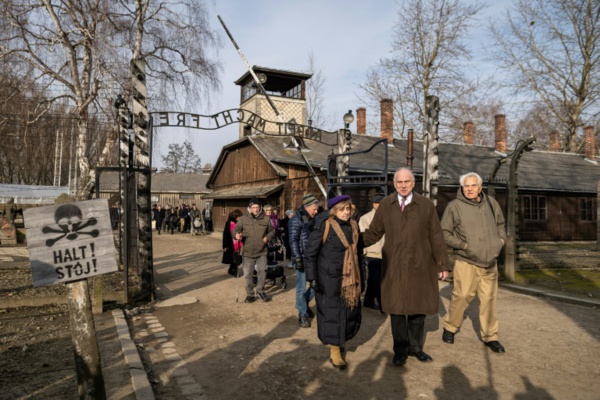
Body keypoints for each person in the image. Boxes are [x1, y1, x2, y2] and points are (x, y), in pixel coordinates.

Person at [363, 168, 450, 366]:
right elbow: (374, 232)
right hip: (394, 264)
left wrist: (442, 264)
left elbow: (436, 235)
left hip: (421, 263)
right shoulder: (386, 205)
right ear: (394, 184)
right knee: (397, 308)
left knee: (418, 307)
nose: (403, 185)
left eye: (407, 181)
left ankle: (416, 347)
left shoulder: (425, 205)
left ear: (413, 183)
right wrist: (353, 242)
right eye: (399, 182)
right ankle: (400, 350)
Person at [440, 172, 507, 353]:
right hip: (466, 261)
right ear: (462, 188)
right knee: (461, 296)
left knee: (488, 300)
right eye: (466, 186)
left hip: (490, 262)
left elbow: (501, 225)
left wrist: (500, 241)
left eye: (473, 185)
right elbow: (444, 232)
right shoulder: (454, 206)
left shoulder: (492, 203)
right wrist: (463, 245)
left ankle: (490, 336)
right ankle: (451, 327)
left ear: (480, 186)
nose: (469, 189)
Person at [304, 195, 364, 369]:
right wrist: (312, 277)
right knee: (332, 313)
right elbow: (310, 253)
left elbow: (358, 254)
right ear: (334, 211)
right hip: (327, 278)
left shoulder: (353, 226)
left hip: (349, 278)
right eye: (342, 209)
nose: (346, 213)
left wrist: (362, 278)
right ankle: (335, 350)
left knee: (347, 310)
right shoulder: (325, 225)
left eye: (348, 209)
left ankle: (341, 340)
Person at [233, 198, 275, 303]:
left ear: (260, 208)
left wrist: (267, 238)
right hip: (247, 251)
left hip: (262, 251)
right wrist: (236, 235)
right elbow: (235, 230)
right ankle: (250, 294)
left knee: (262, 271)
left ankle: (260, 291)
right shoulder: (243, 218)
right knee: (248, 274)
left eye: (257, 207)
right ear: (250, 208)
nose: (255, 209)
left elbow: (272, 231)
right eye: (253, 207)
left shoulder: (266, 219)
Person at [289, 194, 320, 328]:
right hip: (301, 257)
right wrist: (297, 257)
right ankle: (302, 314)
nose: (316, 211)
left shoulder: (312, 219)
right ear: (307, 206)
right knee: (301, 288)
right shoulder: (296, 220)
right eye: (315, 208)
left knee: (315, 285)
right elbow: (293, 240)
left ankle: (302, 303)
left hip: (313, 258)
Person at [359, 195, 384, 312]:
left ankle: (368, 301)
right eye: (379, 203)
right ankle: (382, 304)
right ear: (374, 204)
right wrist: (364, 251)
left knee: (375, 279)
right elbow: (362, 236)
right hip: (372, 253)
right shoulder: (366, 218)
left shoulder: (386, 217)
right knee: (376, 279)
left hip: (383, 252)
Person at [222, 209, 244, 276]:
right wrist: (225, 245)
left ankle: (231, 270)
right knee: (233, 258)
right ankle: (234, 271)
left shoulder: (239, 223)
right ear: (236, 216)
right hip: (230, 243)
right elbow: (225, 234)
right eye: (239, 216)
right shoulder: (229, 223)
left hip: (238, 243)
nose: (240, 218)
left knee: (236, 258)